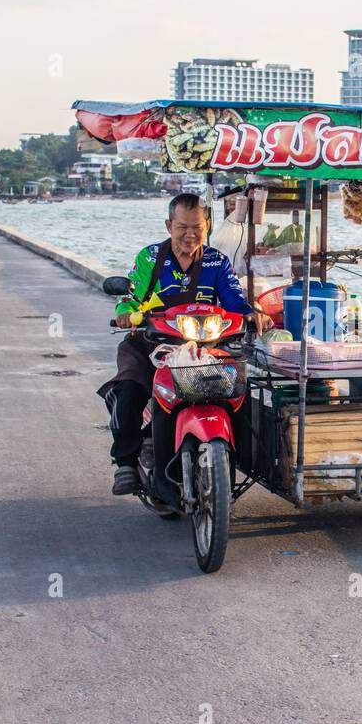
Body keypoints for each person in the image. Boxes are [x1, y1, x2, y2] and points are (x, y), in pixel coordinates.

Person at [98, 192, 266, 498]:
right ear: (168, 225)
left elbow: (234, 301)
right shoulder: (150, 258)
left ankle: (235, 457)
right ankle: (124, 461)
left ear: (207, 226)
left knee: (240, 387)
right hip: (152, 343)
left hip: (204, 346)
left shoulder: (217, 261)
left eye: (196, 227)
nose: (189, 234)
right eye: (182, 227)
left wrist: (252, 315)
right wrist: (125, 315)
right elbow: (130, 297)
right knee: (130, 387)